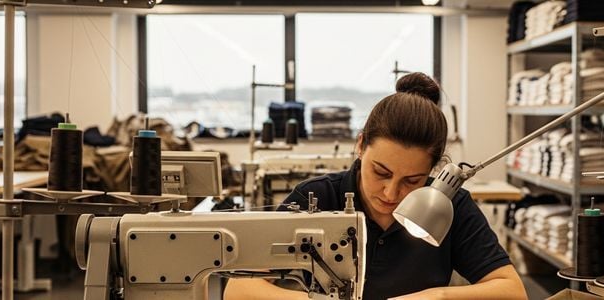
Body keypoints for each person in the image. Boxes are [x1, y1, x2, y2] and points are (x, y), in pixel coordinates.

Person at [225, 73, 527, 300]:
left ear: (433, 169)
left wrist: (436, 297)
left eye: (412, 181)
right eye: (381, 172)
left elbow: (512, 291)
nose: (391, 193)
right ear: (361, 145)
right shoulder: (316, 196)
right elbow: (238, 289)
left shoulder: (451, 206)